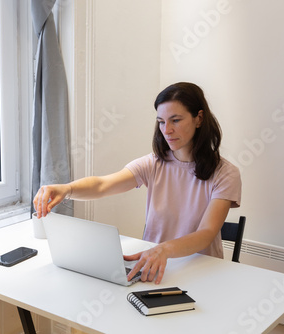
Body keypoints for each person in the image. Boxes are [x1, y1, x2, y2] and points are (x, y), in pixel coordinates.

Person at [33, 82, 241, 284]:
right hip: (154, 268)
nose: (166, 130)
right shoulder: (154, 163)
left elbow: (206, 234)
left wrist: (164, 249)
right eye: (161, 121)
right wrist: (66, 189)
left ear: (199, 118)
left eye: (175, 120)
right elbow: (102, 185)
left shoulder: (225, 173)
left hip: (201, 272)